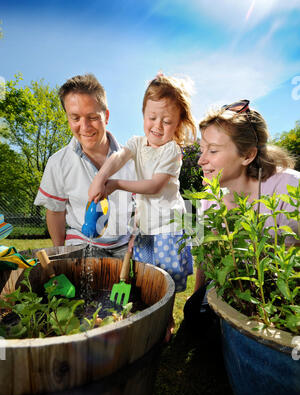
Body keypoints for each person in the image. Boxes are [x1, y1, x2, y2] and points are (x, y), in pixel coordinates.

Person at [88, 74, 197, 338]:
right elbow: (117, 157)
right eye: (152, 117)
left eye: (167, 120)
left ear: (179, 124)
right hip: (145, 227)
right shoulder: (137, 143)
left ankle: (167, 320)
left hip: (169, 228)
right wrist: (101, 177)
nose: (157, 125)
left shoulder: (172, 151)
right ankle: (143, 315)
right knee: (145, 278)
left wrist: (115, 184)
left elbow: (154, 186)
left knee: (166, 280)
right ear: (143, 113)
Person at [184, 99, 300, 329]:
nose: (200, 160)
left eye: (213, 150)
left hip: (282, 291)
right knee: (194, 315)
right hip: (236, 289)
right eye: (202, 149)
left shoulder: (289, 187)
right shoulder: (210, 197)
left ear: (247, 155)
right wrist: (196, 297)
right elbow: (207, 255)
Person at [34, 73, 135, 258]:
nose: (85, 126)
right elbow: (56, 212)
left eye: (92, 117)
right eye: (75, 118)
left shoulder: (131, 160)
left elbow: (141, 206)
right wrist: (60, 254)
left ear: (106, 116)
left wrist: (137, 235)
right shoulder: (58, 163)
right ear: (67, 118)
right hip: (80, 242)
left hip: (124, 243)